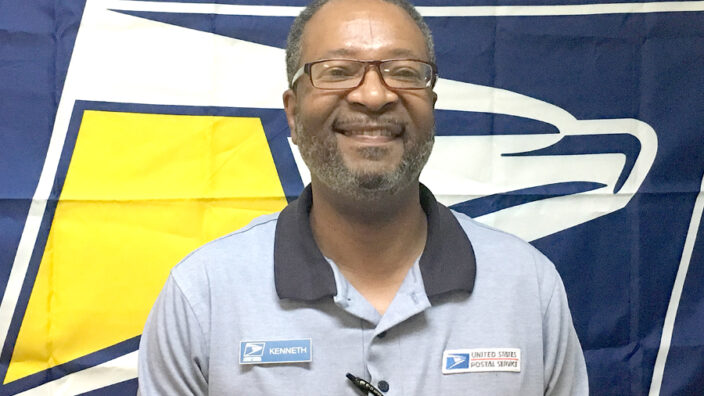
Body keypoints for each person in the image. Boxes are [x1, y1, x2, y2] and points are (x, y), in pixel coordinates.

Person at [138, 0, 589, 394]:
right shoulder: (204, 295)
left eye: (403, 72)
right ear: (293, 114)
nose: (374, 95)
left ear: (432, 104)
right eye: (338, 71)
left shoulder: (527, 288)